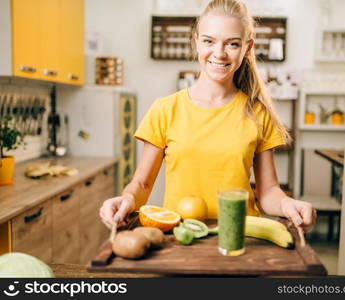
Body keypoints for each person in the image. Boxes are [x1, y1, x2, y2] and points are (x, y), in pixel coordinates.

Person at [100, 0, 316, 233]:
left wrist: (287, 204)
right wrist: (127, 200)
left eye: (232, 44)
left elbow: (269, 191)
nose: (219, 53)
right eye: (209, 41)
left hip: (239, 236)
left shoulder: (257, 114)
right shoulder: (164, 110)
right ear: (196, 42)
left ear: (247, 48)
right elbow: (142, 184)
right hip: (180, 237)